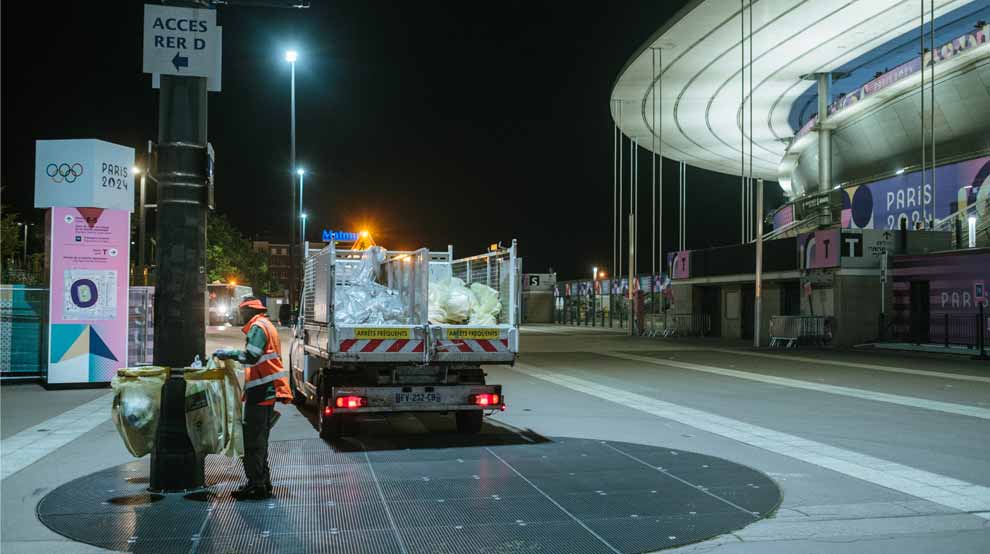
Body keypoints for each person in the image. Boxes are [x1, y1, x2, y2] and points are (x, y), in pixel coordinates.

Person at [214, 297, 292, 500]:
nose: (240, 315)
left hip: (261, 392)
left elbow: (252, 355)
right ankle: (263, 483)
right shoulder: (267, 325)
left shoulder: (257, 327)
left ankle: (256, 485)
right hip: (267, 391)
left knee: (252, 442)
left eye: (242, 311)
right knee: (260, 441)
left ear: (249, 310)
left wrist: (228, 354)